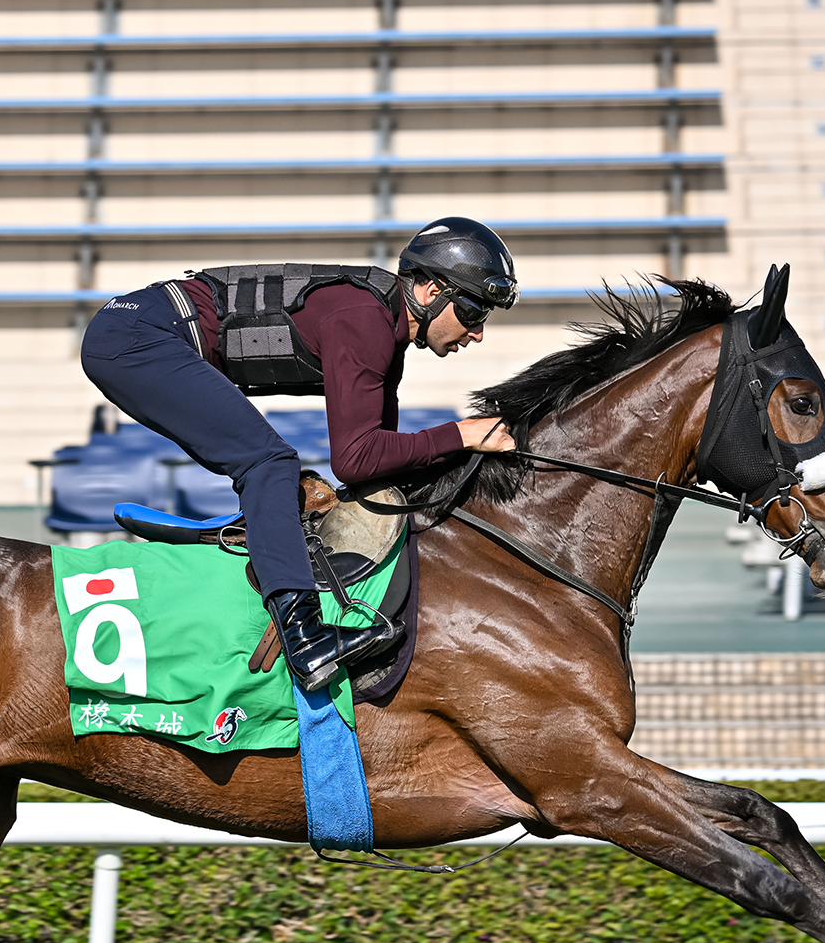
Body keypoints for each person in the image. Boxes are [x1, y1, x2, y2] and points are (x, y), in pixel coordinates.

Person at [79, 217, 520, 692]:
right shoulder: (366, 319)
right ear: (432, 290)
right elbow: (355, 458)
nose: (477, 333)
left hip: (146, 330)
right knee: (269, 463)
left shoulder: (386, 334)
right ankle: (306, 638)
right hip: (136, 335)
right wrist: (461, 434)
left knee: (275, 466)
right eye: (474, 311)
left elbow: (379, 464)